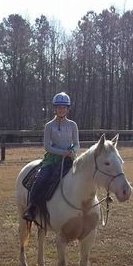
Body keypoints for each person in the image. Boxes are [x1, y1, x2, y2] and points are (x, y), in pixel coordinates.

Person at [23, 92, 80, 221]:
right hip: (52, 159)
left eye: (64, 107)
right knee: (41, 179)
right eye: (59, 107)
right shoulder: (49, 126)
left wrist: (72, 150)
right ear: (55, 109)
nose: (61, 110)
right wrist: (62, 152)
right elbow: (47, 147)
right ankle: (32, 208)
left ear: (67, 109)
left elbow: (76, 143)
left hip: (69, 159)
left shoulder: (73, 125)